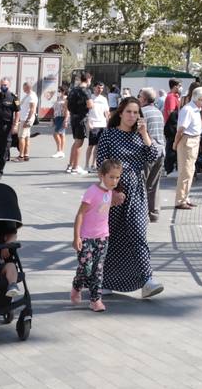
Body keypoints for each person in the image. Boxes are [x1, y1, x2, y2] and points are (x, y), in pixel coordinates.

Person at [95, 98, 164, 299]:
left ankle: (147, 280)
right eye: (129, 112)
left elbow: (153, 156)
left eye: (136, 113)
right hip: (113, 193)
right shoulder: (109, 135)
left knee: (138, 234)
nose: (132, 116)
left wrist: (144, 134)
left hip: (136, 192)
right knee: (111, 237)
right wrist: (112, 190)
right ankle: (104, 280)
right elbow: (102, 164)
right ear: (120, 113)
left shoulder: (139, 136)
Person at [72, 158, 124, 313]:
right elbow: (80, 214)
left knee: (98, 270)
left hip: (103, 237)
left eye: (117, 177)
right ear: (102, 175)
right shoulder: (91, 192)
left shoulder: (109, 191)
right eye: (111, 177)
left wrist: (117, 199)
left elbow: (104, 206)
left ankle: (96, 300)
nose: (115, 181)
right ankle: (77, 286)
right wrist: (76, 237)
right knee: (85, 268)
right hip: (86, 238)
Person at [173, 87, 202, 208]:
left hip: (193, 140)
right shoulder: (188, 110)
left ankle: (185, 197)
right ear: (197, 98)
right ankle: (180, 200)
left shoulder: (195, 109)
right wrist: (176, 143)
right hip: (188, 140)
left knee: (190, 171)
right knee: (185, 172)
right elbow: (181, 129)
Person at [137, 88, 165, 222]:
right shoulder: (158, 112)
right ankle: (153, 213)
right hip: (160, 149)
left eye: (140, 96)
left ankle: (141, 213)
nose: (138, 98)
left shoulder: (143, 112)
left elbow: (140, 132)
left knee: (141, 184)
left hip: (148, 150)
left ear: (144, 99)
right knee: (154, 183)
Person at [65, 74, 91, 174]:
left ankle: (70, 165)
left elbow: (66, 104)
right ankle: (75, 167)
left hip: (73, 117)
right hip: (82, 118)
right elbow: (90, 105)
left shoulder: (73, 90)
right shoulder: (86, 91)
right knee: (79, 143)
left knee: (76, 142)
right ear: (88, 79)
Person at [83, 83, 110, 174]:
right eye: (98, 88)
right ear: (94, 88)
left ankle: (93, 164)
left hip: (102, 124)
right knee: (90, 145)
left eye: (102, 88)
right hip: (93, 124)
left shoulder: (104, 99)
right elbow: (86, 111)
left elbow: (106, 111)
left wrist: (108, 122)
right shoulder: (90, 98)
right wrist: (89, 122)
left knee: (98, 146)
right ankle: (86, 165)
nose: (100, 90)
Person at [162, 80, 181, 175]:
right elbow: (171, 112)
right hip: (172, 126)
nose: (181, 87)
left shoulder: (174, 97)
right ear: (175, 86)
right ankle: (169, 169)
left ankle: (171, 167)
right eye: (179, 86)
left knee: (173, 147)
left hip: (174, 125)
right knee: (171, 148)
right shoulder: (171, 97)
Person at [16, 82, 38, 162]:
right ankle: (26, 155)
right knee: (27, 137)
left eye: (24, 88)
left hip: (26, 119)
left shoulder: (32, 96)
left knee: (21, 137)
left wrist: (27, 120)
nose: (23, 89)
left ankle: (21, 156)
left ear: (28, 88)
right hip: (24, 118)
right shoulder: (28, 95)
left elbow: (32, 109)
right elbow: (20, 105)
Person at [50, 85, 68, 159]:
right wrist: (53, 118)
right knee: (61, 134)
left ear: (63, 91)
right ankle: (61, 151)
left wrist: (66, 119)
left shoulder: (66, 99)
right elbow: (55, 109)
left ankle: (59, 150)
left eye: (59, 91)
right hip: (57, 117)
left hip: (62, 117)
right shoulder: (58, 98)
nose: (58, 92)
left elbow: (67, 110)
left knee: (55, 133)